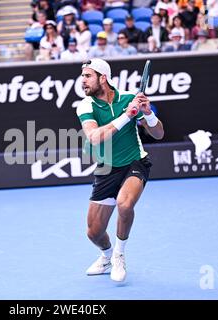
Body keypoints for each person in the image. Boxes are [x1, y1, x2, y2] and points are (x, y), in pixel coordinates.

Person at [76, 58, 164, 282]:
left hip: (135, 162)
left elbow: (159, 134)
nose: (83, 81)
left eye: (88, 76)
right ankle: (106, 256)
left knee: (125, 204)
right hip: (106, 168)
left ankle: (119, 254)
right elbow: (95, 138)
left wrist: (147, 113)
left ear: (102, 78)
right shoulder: (86, 105)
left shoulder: (128, 98)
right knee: (93, 232)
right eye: (82, 76)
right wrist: (128, 116)